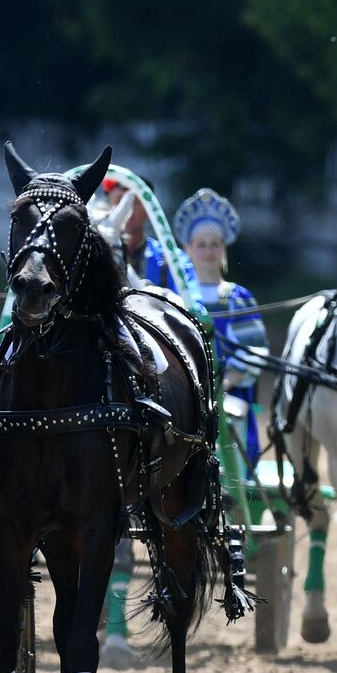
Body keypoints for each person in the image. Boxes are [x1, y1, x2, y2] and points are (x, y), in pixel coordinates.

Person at [173, 187, 269, 467]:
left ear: (224, 248)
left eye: (215, 244)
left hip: (230, 399)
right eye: (201, 244)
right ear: (188, 248)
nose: (208, 251)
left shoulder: (238, 298)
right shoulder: (176, 297)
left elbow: (254, 350)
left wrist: (222, 386)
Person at [102, 177, 199, 299]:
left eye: (135, 202)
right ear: (106, 208)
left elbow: (193, 308)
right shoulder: (95, 257)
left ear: (149, 210)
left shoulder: (172, 260)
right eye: (119, 200)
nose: (127, 209)